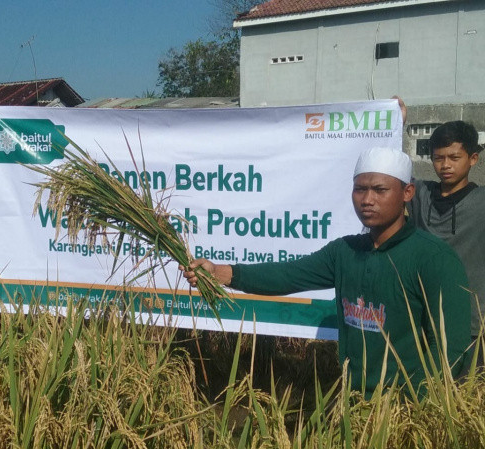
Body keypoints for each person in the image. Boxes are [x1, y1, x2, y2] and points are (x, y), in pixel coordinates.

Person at [182, 147, 471, 396]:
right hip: (352, 403)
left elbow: (449, 348)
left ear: (407, 192)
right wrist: (222, 272)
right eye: (360, 189)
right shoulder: (344, 251)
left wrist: (408, 406)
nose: (367, 199)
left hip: (404, 410)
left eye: (380, 190)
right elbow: (289, 274)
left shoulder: (434, 258)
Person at [406, 120, 484, 360]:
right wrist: (398, 121)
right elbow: (389, 173)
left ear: (473, 159)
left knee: (466, 393)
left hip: (471, 325)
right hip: (422, 321)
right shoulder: (420, 194)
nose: (445, 165)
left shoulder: (481, 202)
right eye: (439, 158)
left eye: (454, 157)